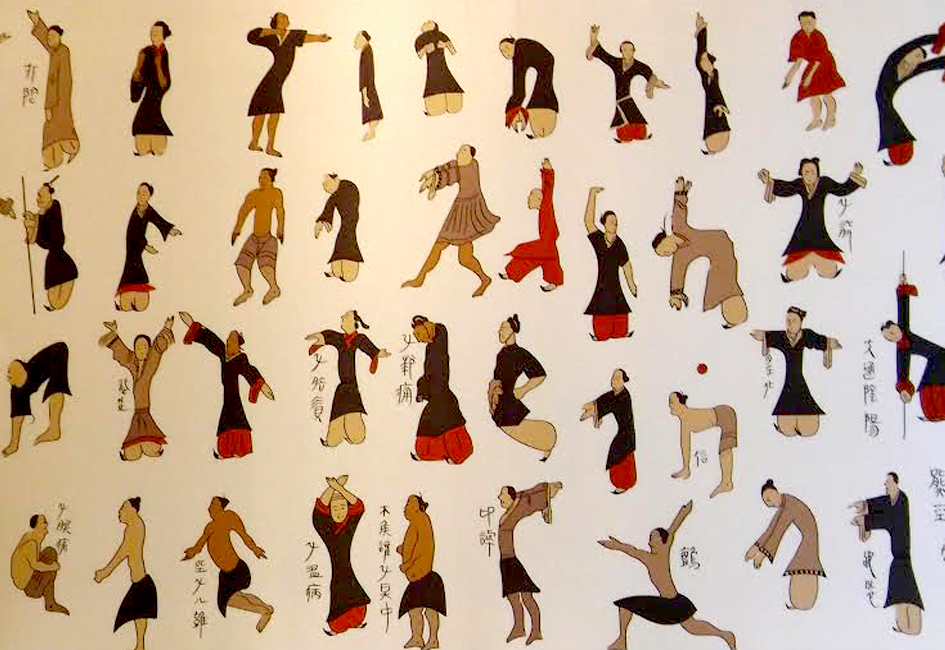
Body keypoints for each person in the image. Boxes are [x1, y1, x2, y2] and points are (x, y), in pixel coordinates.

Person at [599, 501, 736, 650]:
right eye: (650, 538)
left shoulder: (654, 556)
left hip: (670, 603)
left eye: (653, 537)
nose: (649, 541)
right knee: (691, 626)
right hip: (672, 601)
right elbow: (636, 548)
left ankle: (724, 635)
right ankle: (724, 635)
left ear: (661, 539)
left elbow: (637, 548)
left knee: (691, 626)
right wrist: (618, 545)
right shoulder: (659, 552)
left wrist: (617, 546)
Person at [404, 145, 498, 297]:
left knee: (459, 255)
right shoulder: (469, 164)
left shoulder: (468, 168)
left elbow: (450, 175)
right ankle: (420, 278)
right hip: (460, 211)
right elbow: (451, 165)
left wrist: (435, 180)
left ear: (471, 156)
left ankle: (484, 279)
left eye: (463, 151)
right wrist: (435, 171)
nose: (459, 153)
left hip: (466, 214)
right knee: (453, 252)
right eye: (459, 151)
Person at [653, 176, 746, 329]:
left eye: (664, 250)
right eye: (665, 254)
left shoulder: (678, 228)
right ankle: (733, 312)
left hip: (721, 241)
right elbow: (677, 275)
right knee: (719, 277)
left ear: (667, 238)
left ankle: (734, 311)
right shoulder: (680, 256)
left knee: (722, 279)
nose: (667, 253)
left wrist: (680, 192)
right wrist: (676, 294)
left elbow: (679, 211)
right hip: (720, 254)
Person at [180, 311, 275, 459]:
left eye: (233, 340)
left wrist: (262, 386)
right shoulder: (223, 354)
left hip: (234, 395)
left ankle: (239, 449)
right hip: (227, 395)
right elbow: (211, 341)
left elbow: (249, 370)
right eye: (229, 340)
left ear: (238, 344)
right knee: (226, 419)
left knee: (235, 417)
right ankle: (226, 450)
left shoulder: (240, 359)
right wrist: (192, 324)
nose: (230, 342)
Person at [757, 158, 866, 282]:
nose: (809, 176)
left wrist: (855, 175)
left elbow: (841, 189)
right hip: (803, 230)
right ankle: (802, 265)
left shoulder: (824, 183)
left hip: (819, 230)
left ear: (818, 173)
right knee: (795, 273)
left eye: (812, 172)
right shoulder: (800, 184)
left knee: (829, 271)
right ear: (801, 174)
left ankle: (817, 261)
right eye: (806, 172)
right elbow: (786, 188)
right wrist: (769, 181)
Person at [183, 497, 273, 632]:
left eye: (213, 505)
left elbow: (244, 535)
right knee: (237, 596)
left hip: (236, 569)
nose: (209, 508)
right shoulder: (210, 527)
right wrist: (191, 552)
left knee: (229, 600)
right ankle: (266, 607)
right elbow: (199, 545)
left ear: (221, 507)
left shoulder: (229, 517)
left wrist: (255, 549)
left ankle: (262, 611)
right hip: (225, 573)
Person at [247, 12, 330, 157]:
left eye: (286, 18)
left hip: (277, 81)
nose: (286, 19)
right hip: (270, 80)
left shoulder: (292, 35)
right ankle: (255, 143)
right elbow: (252, 36)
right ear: (276, 21)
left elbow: (305, 37)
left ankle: (268, 146)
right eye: (282, 17)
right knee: (263, 111)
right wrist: (274, 31)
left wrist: (319, 38)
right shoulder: (271, 37)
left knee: (273, 111)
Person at [851, 473, 923, 635]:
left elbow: (891, 520)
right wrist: (865, 505)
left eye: (888, 481)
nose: (885, 484)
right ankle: (905, 627)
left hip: (903, 559)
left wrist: (866, 521)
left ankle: (912, 628)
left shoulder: (901, 501)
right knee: (899, 595)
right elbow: (882, 504)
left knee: (907, 594)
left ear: (896, 483)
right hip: (898, 561)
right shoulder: (892, 500)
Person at [751, 307, 841, 437]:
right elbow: (768, 336)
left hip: (799, 379)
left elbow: (821, 341)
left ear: (801, 322)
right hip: (789, 380)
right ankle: (788, 425)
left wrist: (828, 343)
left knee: (806, 419)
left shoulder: (806, 335)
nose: (790, 324)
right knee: (787, 419)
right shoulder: (782, 337)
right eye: (788, 320)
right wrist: (763, 335)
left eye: (794, 320)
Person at [304, 310, 390, 447]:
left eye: (346, 317)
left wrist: (377, 353)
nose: (342, 317)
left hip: (351, 384)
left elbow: (367, 345)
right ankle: (334, 438)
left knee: (351, 411)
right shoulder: (340, 339)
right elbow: (330, 335)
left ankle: (353, 436)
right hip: (343, 385)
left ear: (353, 322)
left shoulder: (359, 338)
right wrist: (320, 337)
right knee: (339, 410)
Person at [99, 319, 175, 461]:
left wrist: (166, 328)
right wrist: (114, 332)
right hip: (137, 413)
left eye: (144, 347)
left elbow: (156, 350)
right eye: (138, 347)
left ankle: (150, 446)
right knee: (132, 454)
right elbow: (123, 354)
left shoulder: (150, 364)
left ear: (149, 349)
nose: (141, 350)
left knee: (149, 449)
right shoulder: (133, 363)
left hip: (144, 411)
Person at [497, 481, 563, 645]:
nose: (499, 498)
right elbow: (523, 493)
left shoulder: (517, 508)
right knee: (513, 597)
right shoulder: (511, 507)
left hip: (511, 562)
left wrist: (548, 493)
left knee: (526, 597)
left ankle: (536, 630)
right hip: (505, 562)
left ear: (511, 498)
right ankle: (519, 627)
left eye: (502, 495)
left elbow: (528, 501)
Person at [746, 480, 824, 610]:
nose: (770, 504)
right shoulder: (785, 504)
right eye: (767, 503)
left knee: (803, 565)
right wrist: (755, 547)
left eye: (769, 498)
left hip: (809, 540)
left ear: (776, 491)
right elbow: (770, 529)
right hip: (807, 540)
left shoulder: (790, 505)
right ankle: (800, 601)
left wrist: (762, 554)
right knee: (801, 566)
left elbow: (778, 532)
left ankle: (802, 602)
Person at [875, 23, 945, 165]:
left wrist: (936, 42)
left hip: (892, 125)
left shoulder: (899, 72)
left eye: (919, 58)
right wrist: (936, 40)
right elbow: (920, 56)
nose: (913, 64)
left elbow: (925, 65)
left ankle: (898, 145)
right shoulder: (895, 64)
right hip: (890, 114)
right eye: (917, 56)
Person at [489, 315, 557, 461]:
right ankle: (547, 442)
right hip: (499, 399)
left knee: (510, 425)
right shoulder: (501, 354)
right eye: (500, 329)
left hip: (509, 399)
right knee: (509, 426)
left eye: (504, 328)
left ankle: (548, 439)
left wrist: (523, 389)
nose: (500, 331)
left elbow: (540, 375)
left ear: (513, 330)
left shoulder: (520, 354)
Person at [586, 25, 669, 143]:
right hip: (620, 99)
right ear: (621, 51)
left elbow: (650, 75)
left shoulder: (638, 66)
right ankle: (625, 137)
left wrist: (652, 86)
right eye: (624, 49)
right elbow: (602, 54)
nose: (627, 52)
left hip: (627, 98)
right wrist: (593, 37)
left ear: (634, 51)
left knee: (633, 116)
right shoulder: (616, 63)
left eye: (630, 49)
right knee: (624, 120)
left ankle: (639, 135)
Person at [94, 498, 157, 650]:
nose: (119, 511)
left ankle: (140, 645)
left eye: (123, 508)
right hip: (139, 580)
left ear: (133, 510)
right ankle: (140, 645)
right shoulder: (134, 526)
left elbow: (124, 551)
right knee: (139, 614)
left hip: (140, 580)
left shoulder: (135, 527)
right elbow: (125, 550)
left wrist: (105, 572)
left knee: (138, 613)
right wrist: (105, 571)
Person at [880, 274, 945, 421]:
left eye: (892, 331)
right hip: (937, 358)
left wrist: (903, 286)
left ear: (896, 326)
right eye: (889, 337)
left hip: (938, 356)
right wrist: (904, 390)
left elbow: (903, 306)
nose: (893, 335)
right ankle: (935, 410)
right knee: (937, 369)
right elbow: (902, 372)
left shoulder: (903, 327)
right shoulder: (901, 350)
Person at [410, 316, 473, 464]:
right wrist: (421, 389)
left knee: (450, 430)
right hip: (436, 397)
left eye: (418, 334)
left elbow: (440, 329)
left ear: (427, 327)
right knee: (430, 434)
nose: (418, 339)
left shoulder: (440, 337)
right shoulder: (429, 348)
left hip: (442, 395)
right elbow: (427, 374)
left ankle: (457, 455)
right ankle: (446, 454)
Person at [313, 476, 371, 635]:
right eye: (335, 508)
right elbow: (318, 511)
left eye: (342, 507)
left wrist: (339, 488)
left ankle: (354, 621)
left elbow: (359, 506)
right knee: (340, 591)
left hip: (346, 569)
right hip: (337, 571)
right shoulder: (328, 529)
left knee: (350, 591)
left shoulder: (349, 524)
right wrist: (333, 487)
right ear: (330, 511)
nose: (339, 512)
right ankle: (339, 625)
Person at [115, 183, 181, 312]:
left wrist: (170, 230)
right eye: (138, 193)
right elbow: (132, 233)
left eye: (144, 193)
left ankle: (135, 294)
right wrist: (145, 245)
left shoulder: (148, 210)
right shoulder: (135, 210)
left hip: (137, 247)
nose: (140, 196)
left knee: (135, 264)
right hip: (131, 247)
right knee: (132, 263)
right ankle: (129, 295)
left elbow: (158, 220)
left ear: (150, 196)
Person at [500, 158, 562, 292]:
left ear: (540, 199)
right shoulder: (543, 210)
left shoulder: (546, 205)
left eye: (531, 196)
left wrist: (548, 171)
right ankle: (553, 281)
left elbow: (548, 189)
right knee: (545, 259)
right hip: (547, 242)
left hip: (548, 241)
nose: (528, 198)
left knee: (526, 253)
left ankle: (512, 272)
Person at [27, 10, 79, 169]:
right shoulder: (59, 50)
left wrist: (49, 105)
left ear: (59, 37)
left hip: (58, 100)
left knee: (54, 128)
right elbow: (47, 43)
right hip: (60, 99)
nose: (49, 39)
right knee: (60, 127)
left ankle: (57, 158)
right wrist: (38, 22)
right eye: (48, 37)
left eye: (52, 36)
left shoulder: (62, 53)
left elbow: (55, 83)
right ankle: (63, 155)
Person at [583, 187, 637, 340]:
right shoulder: (599, 239)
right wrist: (592, 194)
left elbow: (626, 265)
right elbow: (588, 222)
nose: (615, 224)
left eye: (616, 222)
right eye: (612, 221)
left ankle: (619, 331)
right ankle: (601, 333)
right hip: (602, 286)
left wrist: (632, 285)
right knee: (603, 332)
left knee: (620, 331)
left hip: (615, 286)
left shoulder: (619, 244)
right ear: (604, 224)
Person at [398, 495, 447, 650]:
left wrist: (408, 564)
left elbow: (423, 548)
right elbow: (413, 544)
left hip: (424, 575)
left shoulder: (422, 520)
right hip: (416, 576)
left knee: (430, 610)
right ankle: (417, 638)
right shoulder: (415, 522)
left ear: (417, 507)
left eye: (408, 504)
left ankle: (433, 640)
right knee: (414, 610)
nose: (405, 508)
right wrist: (403, 549)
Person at [782, 11, 845, 131]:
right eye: (803, 23)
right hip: (813, 64)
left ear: (815, 22)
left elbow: (818, 60)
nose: (806, 25)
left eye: (809, 22)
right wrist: (789, 76)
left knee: (826, 93)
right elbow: (798, 60)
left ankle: (831, 118)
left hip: (825, 63)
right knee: (812, 94)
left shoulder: (819, 37)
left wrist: (809, 77)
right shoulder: (798, 37)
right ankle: (817, 120)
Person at [5, 342, 70, 457]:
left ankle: (54, 428)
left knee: (56, 380)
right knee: (18, 390)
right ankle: (14, 443)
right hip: (30, 372)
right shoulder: (17, 388)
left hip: (57, 352)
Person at [667, 392, 736, 498]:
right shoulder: (685, 420)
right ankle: (726, 482)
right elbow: (685, 444)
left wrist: (686, 468)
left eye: (672, 402)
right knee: (724, 448)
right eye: (669, 402)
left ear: (681, 404)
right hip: (722, 413)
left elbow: (685, 443)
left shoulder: (688, 417)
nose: (669, 405)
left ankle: (727, 483)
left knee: (724, 448)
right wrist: (686, 468)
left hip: (726, 414)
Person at [232, 168, 284, 306]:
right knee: (241, 264)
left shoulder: (276, 193)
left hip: (268, 238)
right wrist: (237, 229)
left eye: (264, 177)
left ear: (271, 179)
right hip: (254, 238)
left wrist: (280, 229)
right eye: (260, 178)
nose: (261, 180)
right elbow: (244, 211)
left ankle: (274, 288)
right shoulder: (254, 194)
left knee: (265, 265)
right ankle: (247, 289)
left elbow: (279, 211)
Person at [580, 369, 637, 494]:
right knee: (617, 454)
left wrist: (596, 410)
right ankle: (622, 483)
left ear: (623, 381)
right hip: (623, 433)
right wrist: (594, 406)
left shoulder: (624, 397)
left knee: (621, 456)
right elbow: (606, 398)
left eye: (617, 378)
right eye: (613, 377)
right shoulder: (615, 393)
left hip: (626, 434)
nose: (613, 381)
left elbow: (612, 403)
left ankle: (625, 483)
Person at [23, 181, 78, 311]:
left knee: (56, 303)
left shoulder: (55, 208)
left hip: (62, 263)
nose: (38, 199)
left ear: (50, 196)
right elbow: (30, 240)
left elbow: (51, 234)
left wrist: (34, 223)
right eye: (38, 195)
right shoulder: (42, 215)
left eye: (41, 195)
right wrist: (30, 226)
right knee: (54, 302)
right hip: (53, 263)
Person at [499, 37, 558, 139]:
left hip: (546, 63)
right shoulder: (520, 50)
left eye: (506, 47)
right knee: (543, 84)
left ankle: (540, 113)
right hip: (546, 64)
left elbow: (519, 91)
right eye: (502, 51)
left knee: (542, 86)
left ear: (513, 43)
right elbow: (519, 91)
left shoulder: (519, 49)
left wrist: (511, 110)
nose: (505, 52)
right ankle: (541, 115)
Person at [10, 514, 69, 614]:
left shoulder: (31, 537)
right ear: (37, 526)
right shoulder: (31, 543)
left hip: (30, 576)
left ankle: (50, 601)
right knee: (51, 565)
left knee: (50, 552)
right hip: (30, 587)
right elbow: (36, 565)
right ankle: (50, 603)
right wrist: (52, 567)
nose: (47, 524)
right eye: (44, 522)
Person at [130, 21, 172, 156]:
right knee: (143, 146)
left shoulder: (164, 54)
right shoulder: (145, 52)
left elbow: (164, 84)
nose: (153, 36)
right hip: (147, 99)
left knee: (159, 149)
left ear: (164, 36)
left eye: (157, 33)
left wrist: (158, 65)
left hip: (156, 101)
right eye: (152, 33)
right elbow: (138, 80)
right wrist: (138, 69)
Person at [693, 13, 730, 154]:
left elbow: (715, 90)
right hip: (714, 104)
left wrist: (702, 30)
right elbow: (701, 56)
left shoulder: (712, 75)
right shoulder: (709, 75)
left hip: (714, 105)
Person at [315, 174, 362, 282]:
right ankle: (337, 271)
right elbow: (330, 204)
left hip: (350, 222)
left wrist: (323, 220)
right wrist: (322, 220)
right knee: (342, 239)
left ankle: (347, 272)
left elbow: (333, 201)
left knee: (347, 239)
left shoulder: (348, 187)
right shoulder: (336, 194)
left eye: (328, 186)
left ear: (335, 179)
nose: (327, 190)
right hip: (346, 223)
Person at [415, 21, 463, 116]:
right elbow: (419, 55)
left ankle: (451, 104)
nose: (427, 22)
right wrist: (425, 49)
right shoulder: (421, 39)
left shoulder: (441, 35)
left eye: (429, 22)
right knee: (434, 82)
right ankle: (436, 107)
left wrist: (445, 45)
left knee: (445, 80)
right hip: (432, 68)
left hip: (441, 65)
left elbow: (453, 51)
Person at [355, 31, 382, 141]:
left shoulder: (366, 52)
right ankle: (372, 131)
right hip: (368, 85)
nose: (355, 41)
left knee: (371, 108)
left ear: (363, 39)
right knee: (371, 108)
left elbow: (365, 73)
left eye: (358, 38)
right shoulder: (366, 50)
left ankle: (372, 131)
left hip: (368, 86)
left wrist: (364, 91)